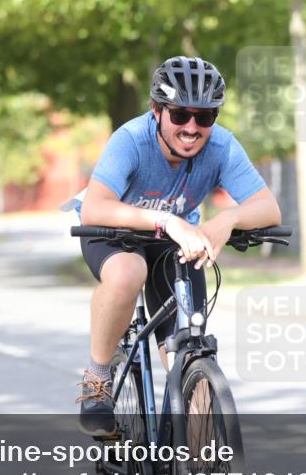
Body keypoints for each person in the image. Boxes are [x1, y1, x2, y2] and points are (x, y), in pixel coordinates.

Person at [75, 56, 281, 440]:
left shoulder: (221, 146)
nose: (191, 127)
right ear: (157, 111)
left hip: (174, 241)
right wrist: (167, 220)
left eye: (204, 118)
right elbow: (94, 207)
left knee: (187, 351)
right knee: (128, 272)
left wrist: (226, 220)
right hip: (114, 228)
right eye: (180, 115)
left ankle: (198, 473)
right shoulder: (131, 140)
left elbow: (267, 207)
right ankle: (98, 378)